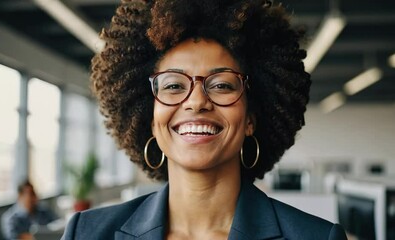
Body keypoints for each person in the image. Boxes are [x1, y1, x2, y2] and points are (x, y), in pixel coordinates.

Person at [62, 0, 347, 239]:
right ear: (150, 120)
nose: (197, 101)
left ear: (250, 118)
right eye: (173, 85)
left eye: (222, 85)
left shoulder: (317, 237)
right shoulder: (86, 233)